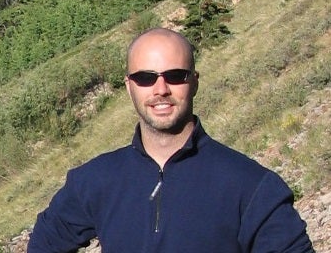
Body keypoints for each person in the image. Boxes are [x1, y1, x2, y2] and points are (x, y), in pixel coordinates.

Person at [28, 28, 314, 253]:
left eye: (176, 76)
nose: (161, 89)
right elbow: (44, 243)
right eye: (145, 78)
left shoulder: (251, 187)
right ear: (129, 87)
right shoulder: (94, 181)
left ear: (195, 82)